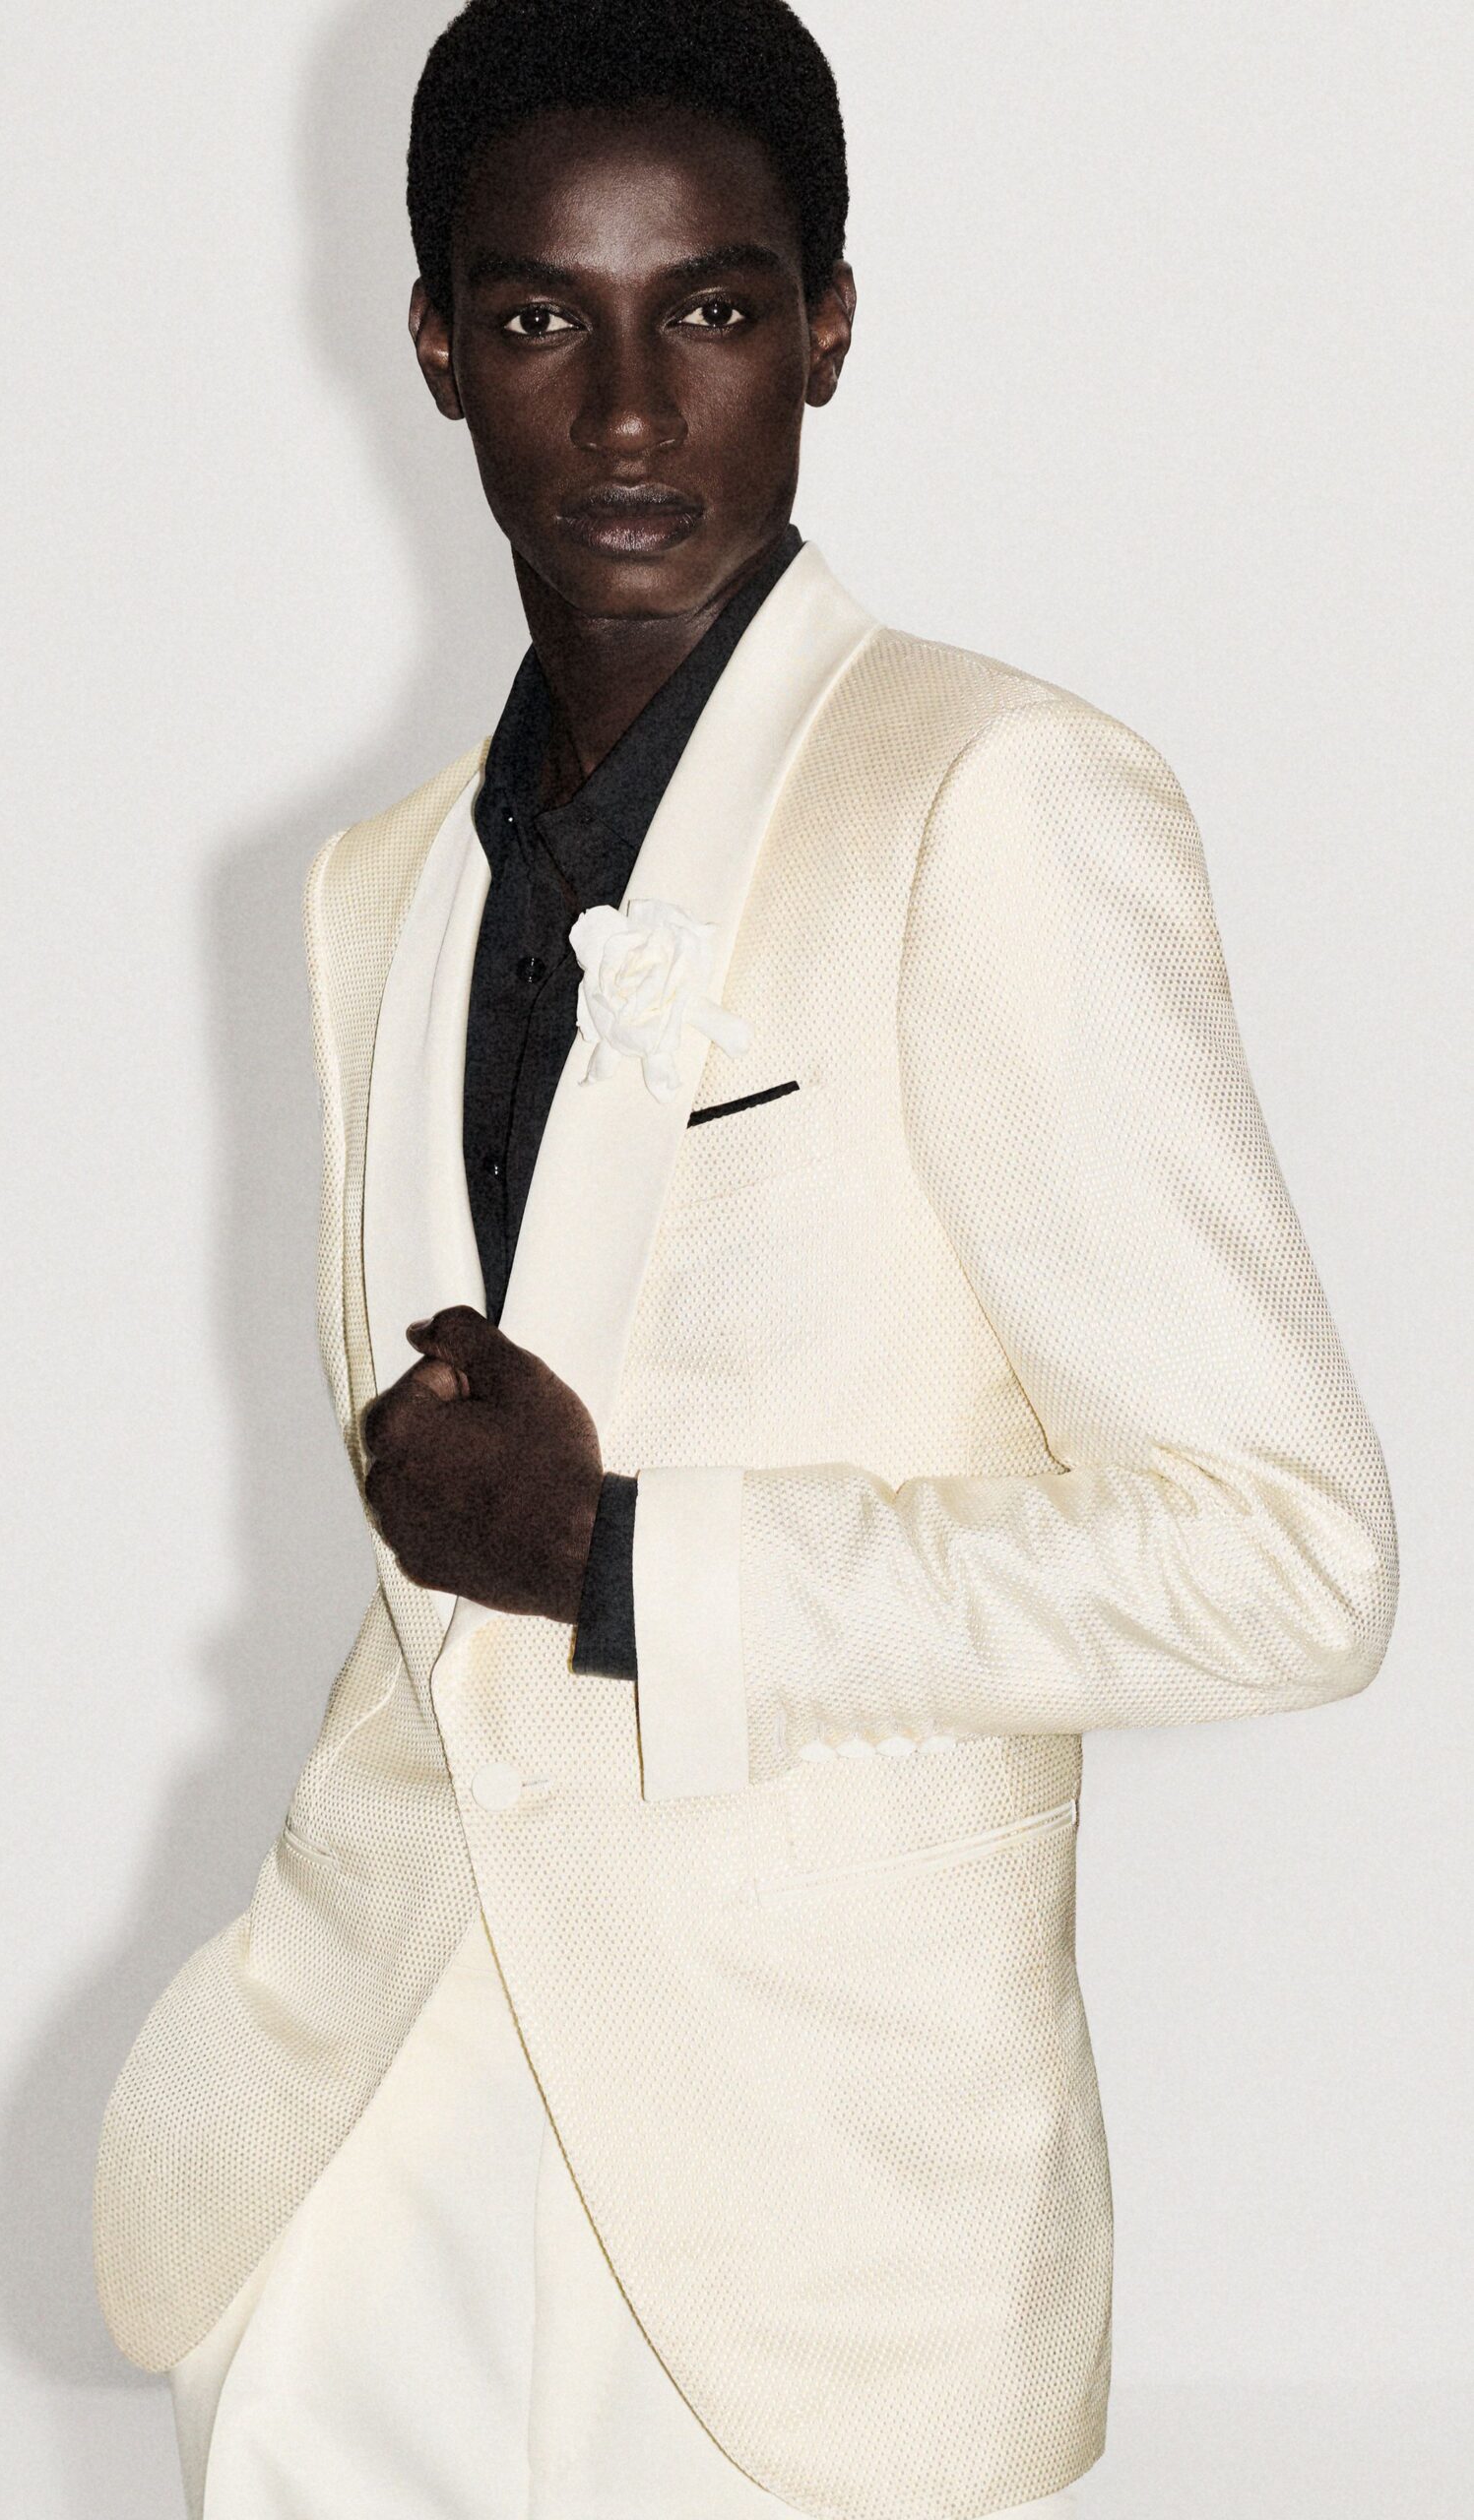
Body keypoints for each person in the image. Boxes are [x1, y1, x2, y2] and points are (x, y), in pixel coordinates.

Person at [93, 4, 1400, 2514]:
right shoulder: (374, 888)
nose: (621, 414)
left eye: (704, 309)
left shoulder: (990, 800)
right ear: (431, 345)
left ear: (824, 327)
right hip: (361, 2149)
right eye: (535, 317)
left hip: (804, 2228)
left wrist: (620, 1557)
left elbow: (1284, 1562)